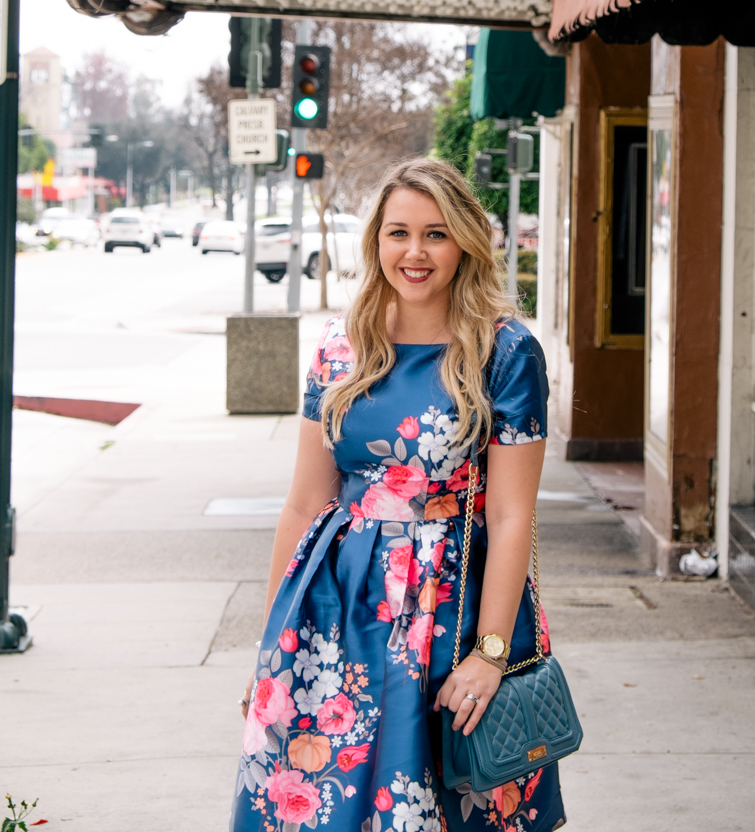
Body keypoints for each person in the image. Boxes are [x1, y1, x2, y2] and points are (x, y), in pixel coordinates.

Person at [230, 158, 565, 832]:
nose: (414, 253)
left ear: (466, 241)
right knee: (324, 804)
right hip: (335, 610)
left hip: (451, 607)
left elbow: (509, 514)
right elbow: (303, 505)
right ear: (374, 241)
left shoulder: (505, 352)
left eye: (435, 234)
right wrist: (272, 648)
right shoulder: (337, 348)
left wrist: (489, 653)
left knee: (444, 801)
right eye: (398, 233)